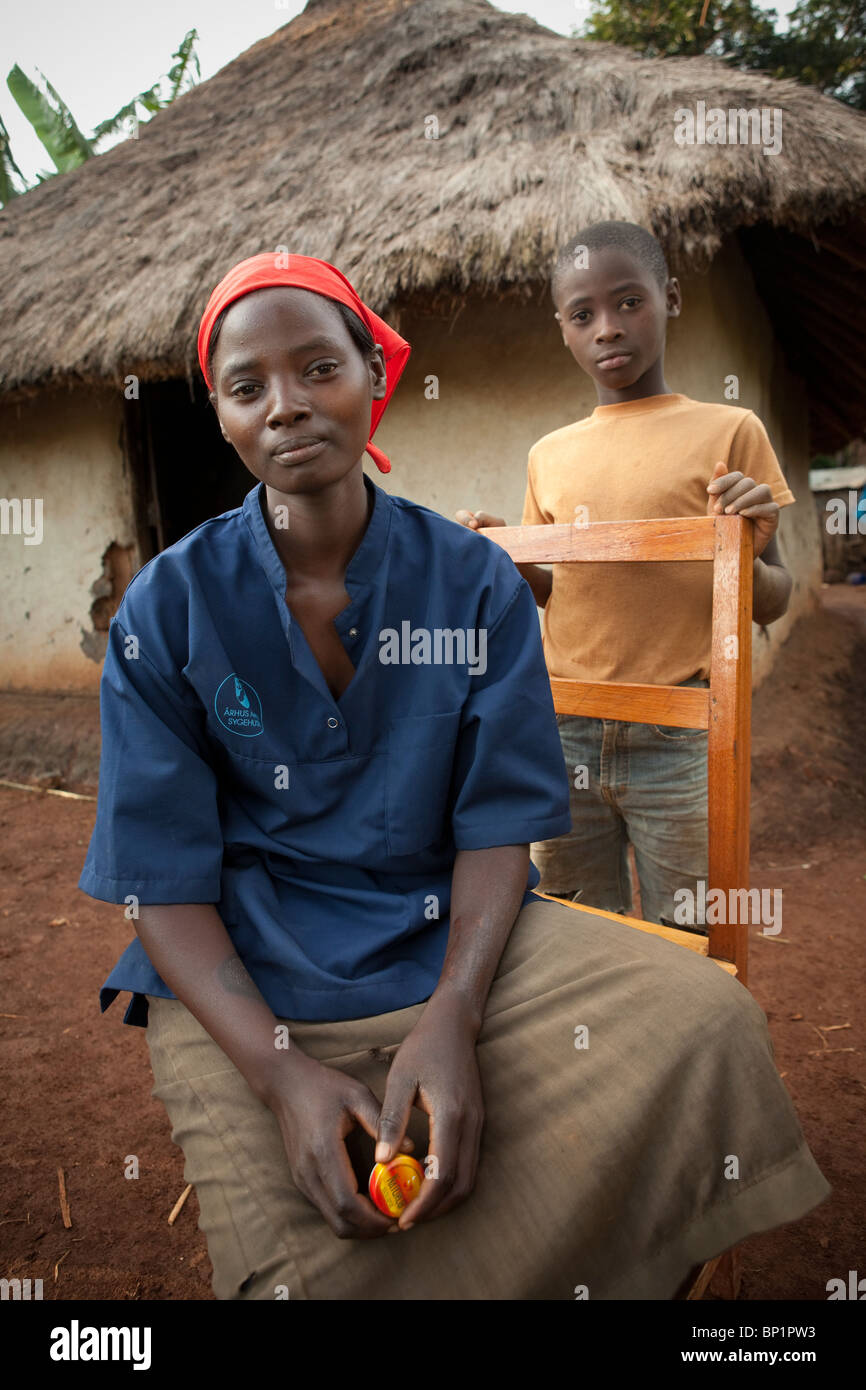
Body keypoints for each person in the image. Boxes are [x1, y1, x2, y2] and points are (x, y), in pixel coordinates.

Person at [78, 251, 828, 1300]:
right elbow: (160, 881)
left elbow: (492, 831)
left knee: (706, 1022)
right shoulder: (166, 609)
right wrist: (279, 1070)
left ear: (369, 377)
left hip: (447, 933)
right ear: (221, 415)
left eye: (317, 368)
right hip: (251, 973)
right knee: (306, 1270)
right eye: (248, 387)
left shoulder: (470, 581)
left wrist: (452, 1014)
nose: (287, 405)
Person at [457, 221, 794, 925]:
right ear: (563, 329)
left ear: (669, 298)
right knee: (579, 929)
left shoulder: (731, 432)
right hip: (564, 725)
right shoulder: (549, 454)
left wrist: (743, 545)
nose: (607, 328)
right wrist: (510, 564)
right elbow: (557, 591)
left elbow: (771, 598)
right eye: (584, 314)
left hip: (682, 729)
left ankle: (692, 1036)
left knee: (694, 928)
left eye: (628, 302)